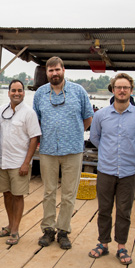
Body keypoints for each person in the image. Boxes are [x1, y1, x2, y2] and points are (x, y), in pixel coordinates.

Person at [88, 73, 135, 264]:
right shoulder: (101, 115)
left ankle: (122, 246)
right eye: (118, 87)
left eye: (125, 88)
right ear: (113, 90)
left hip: (128, 171)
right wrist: (108, 152)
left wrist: (130, 152)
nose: (122, 91)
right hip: (105, 170)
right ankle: (103, 243)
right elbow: (95, 138)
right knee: (104, 209)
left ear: (131, 91)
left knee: (124, 210)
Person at [33, 56, 93, 249]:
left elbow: (88, 117)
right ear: (47, 73)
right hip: (48, 150)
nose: (54, 73)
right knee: (48, 192)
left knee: (69, 194)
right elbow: (36, 121)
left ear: (63, 70)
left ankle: (64, 231)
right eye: (50, 71)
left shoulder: (78, 91)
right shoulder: (40, 93)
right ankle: (48, 229)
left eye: (57, 69)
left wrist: (74, 133)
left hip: (73, 150)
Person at [0, 79, 41, 245]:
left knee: (17, 195)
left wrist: (26, 162)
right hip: (3, 160)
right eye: (13, 90)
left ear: (23, 93)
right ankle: (9, 224)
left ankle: (15, 230)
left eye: (19, 90)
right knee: (6, 194)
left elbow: (34, 138)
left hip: (19, 162)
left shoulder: (29, 113)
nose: (16, 93)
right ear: (8, 93)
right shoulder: (1, 110)